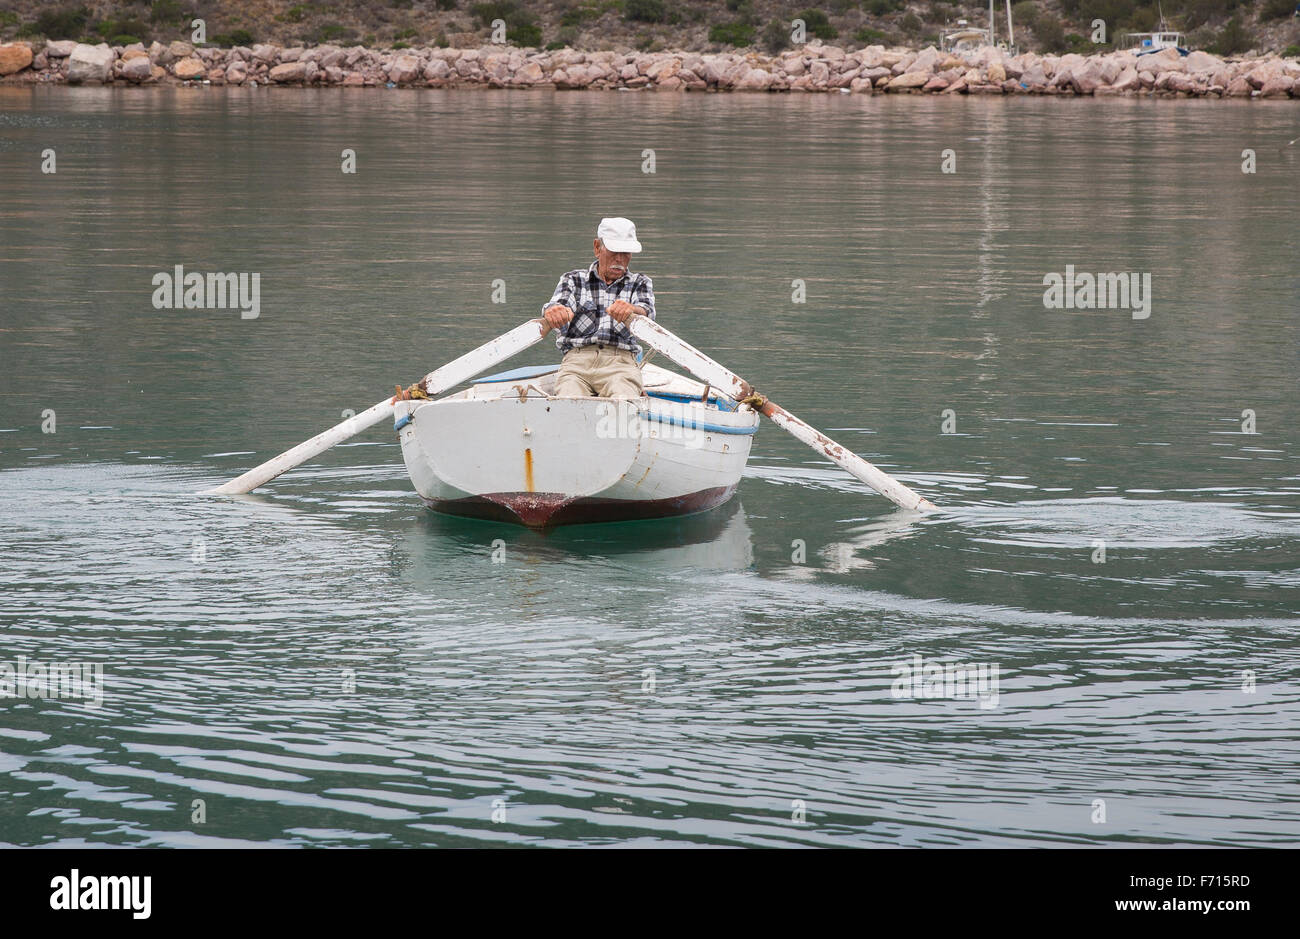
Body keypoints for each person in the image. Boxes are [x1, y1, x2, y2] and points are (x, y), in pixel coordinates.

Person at [541, 217, 656, 398]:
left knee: (623, 400)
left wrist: (631, 310)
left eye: (626, 252)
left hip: (621, 363)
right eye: (614, 251)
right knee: (568, 400)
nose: (619, 258)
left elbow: (646, 312)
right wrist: (555, 311)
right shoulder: (573, 279)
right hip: (577, 362)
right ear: (597, 248)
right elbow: (560, 304)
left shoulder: (640, 282)